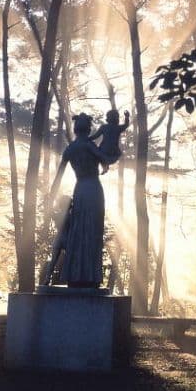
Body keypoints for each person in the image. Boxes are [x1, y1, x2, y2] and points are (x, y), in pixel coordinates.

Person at [45, 112, 113, 288]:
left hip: (80, 190)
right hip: (93, 190)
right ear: (88, 129)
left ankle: (76, 275)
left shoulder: (71, 149)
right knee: (92, 231)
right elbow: (106, 159)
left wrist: (50, 197)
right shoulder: (89, 146)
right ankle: (90, 277)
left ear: (76, 129)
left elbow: (58, 176)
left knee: (78, 230)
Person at [89, 109, 130, 174]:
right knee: (100, 156)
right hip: (113, 151)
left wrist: (87, 139)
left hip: (105, 150)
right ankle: (104, 167)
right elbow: (126, 125)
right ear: (116, 119)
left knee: (98, 155)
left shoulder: (104, 127)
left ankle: (104, 166)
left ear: (108, 118)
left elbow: (95, 136)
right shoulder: (117, 128)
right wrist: (127, 117)